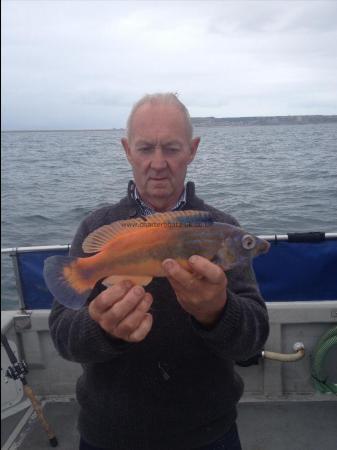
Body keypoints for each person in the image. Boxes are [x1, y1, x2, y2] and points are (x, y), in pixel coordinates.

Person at [49, 93, 269, 450]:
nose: (158, 163)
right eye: (145, 148)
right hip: (109, 434)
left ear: (192, 150)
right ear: (127, 150)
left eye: (171, 148)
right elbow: (62, 336)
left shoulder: (223, 229)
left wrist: (218, 313)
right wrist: (101, 328)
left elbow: (252, 343)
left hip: (208, 432)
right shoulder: (96, 226)